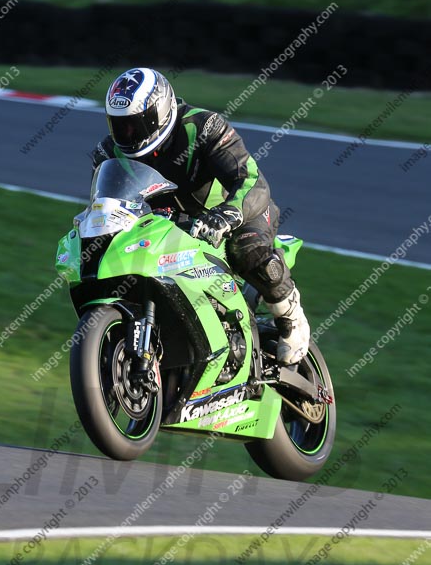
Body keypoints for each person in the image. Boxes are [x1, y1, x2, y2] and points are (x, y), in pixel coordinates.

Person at [90, 67, 310, 365]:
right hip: (172, 231)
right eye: (121, 126)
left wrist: (229, 213)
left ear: (161, 111)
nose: (128, 134)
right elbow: (107, 204)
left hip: (237, 216)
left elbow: (251, 181)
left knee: (246, 247)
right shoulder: (108, 152)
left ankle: (290, 314)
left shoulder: (204, 127)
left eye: (136, 124)